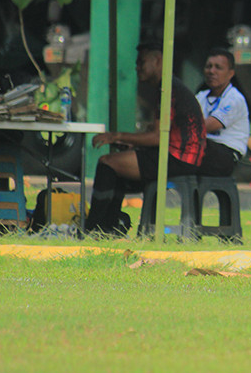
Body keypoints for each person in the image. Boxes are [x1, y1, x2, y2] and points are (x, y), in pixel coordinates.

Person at [85, 41, 207, 236]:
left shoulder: (168, 89)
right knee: (117, 169)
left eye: (141, 62)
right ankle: (109, 226)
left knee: (107, 162)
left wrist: (116, 136)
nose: (137, 67)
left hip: (178, 159)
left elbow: (157, 138)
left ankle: (93, 228)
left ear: (157, 61)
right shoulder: (169, 87)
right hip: (179, 157)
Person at [195, 48, 249, 177]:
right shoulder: (201, 96)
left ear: (231, 73)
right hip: (205, 148)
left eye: (218, 67)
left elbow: (207, 126)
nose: (211, 71)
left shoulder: (235, 99)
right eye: (209, 66)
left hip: (227, 154)